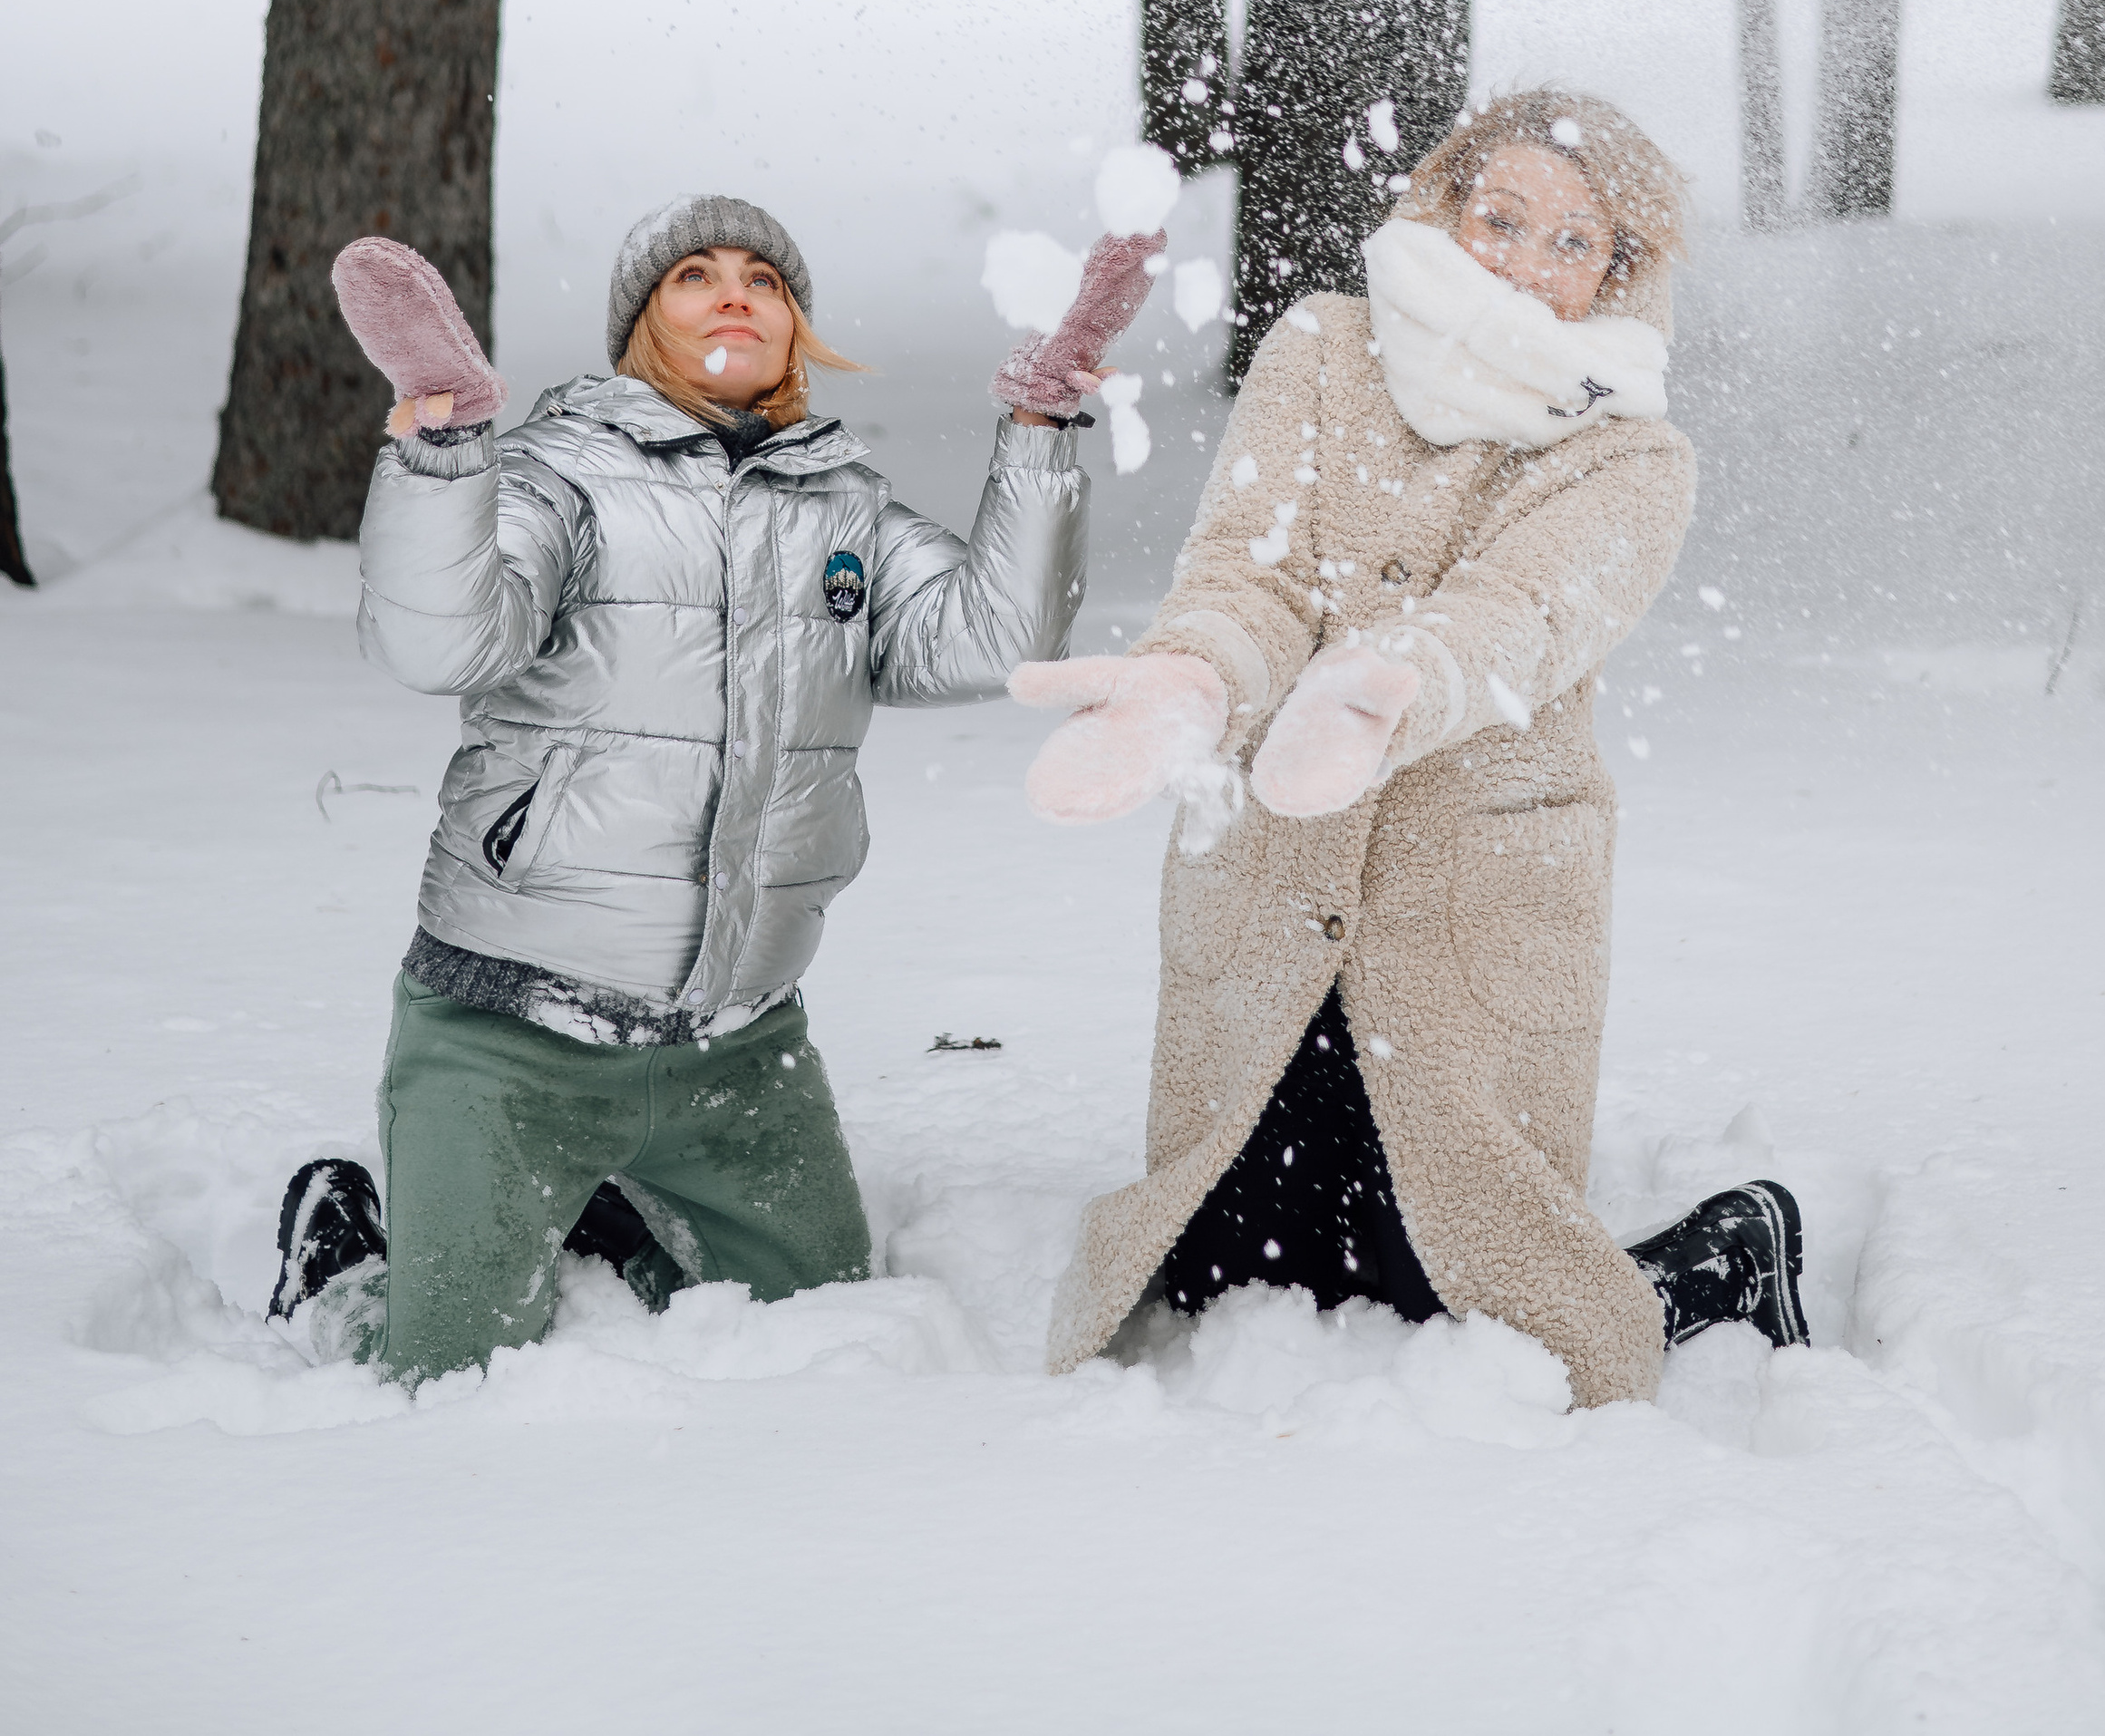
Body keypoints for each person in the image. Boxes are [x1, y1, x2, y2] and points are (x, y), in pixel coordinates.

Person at [270, 192, 1158, 1382]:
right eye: (696, 274)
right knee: (451, 1375)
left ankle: (607, 1209)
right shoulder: (554, 479)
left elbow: (1000, 638)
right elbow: (439, 643)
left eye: (765, 278)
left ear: (795, 329)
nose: (735, 290)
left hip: (741, 1051)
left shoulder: (843, 507)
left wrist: (1044, 423)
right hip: (509, 1036)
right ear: (643, 324)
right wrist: (445, 453)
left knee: (832, 1331)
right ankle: (341, 1265)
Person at [1013, 91, 1808, 1406]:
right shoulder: (1323, 347)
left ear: (1620, 273)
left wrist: (1384, 687)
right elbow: (1246, 573)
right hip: (1276, 891)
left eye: (1573, 241)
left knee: (1487, 1297)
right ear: (1443, 205)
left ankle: (1729, 1254)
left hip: (1467, 921)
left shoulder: (1633, 450)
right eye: (1501, 216)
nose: (1524, 260)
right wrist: (1193, 678)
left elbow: (1515, 622)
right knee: (1224, 1266)